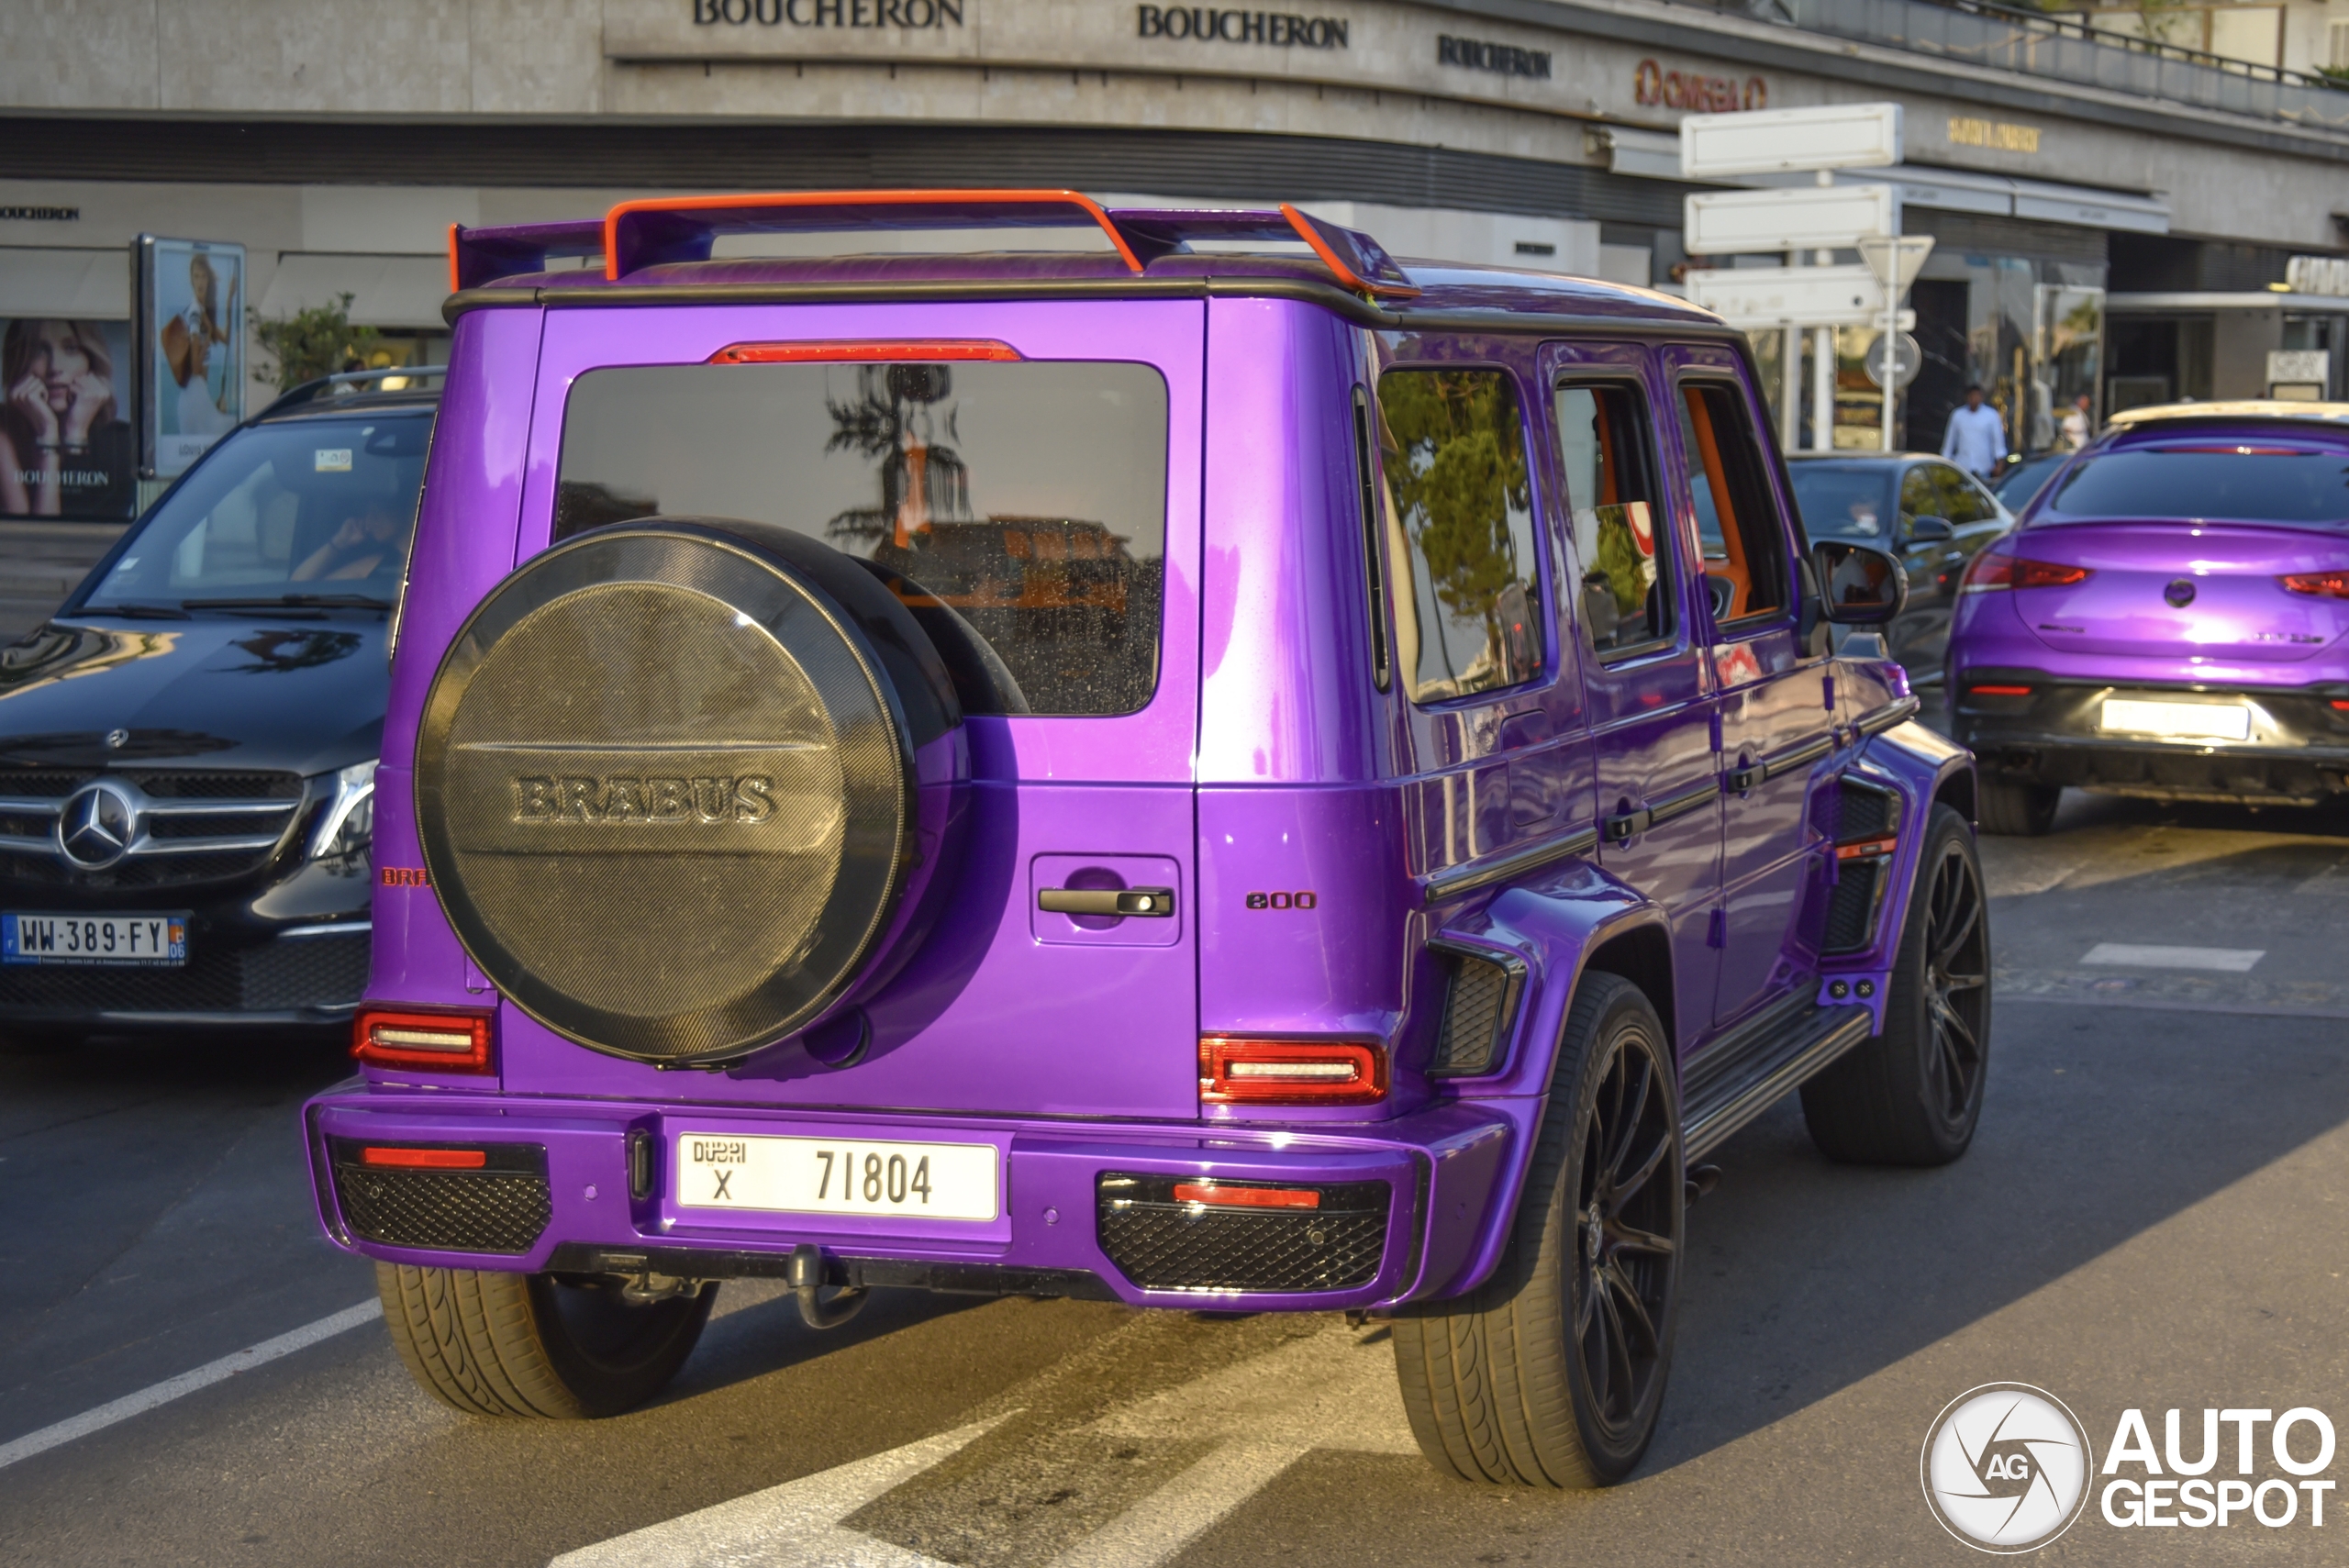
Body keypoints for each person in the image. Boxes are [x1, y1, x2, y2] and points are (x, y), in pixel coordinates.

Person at [0, 318, 133, 519]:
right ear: (19, 360)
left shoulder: (123, 441)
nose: (54, 367)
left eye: (71, 349)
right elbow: (30, 538)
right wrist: (47, 432)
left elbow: (78, 530)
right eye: (38, 350)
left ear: (92, 361)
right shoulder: (4, 431)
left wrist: (76, 435)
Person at [293, 499, 405, 583]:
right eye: (367, 514)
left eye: (376, 514)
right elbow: (296, 589)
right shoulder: (376, 564)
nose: (368, 520)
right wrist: (340, 541)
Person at [1941, 384, 2008, 482]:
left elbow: (1998, 442)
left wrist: (1999, 465)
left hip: (1984, 469)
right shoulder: (1958, 415)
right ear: (1967, 397)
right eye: (1972, 396)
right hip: (1962, 468)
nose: (1974, 399)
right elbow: (1949, 442)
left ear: (1982, 397)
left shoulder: (1991, 415)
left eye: (1977, 396)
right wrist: (1945, 463)